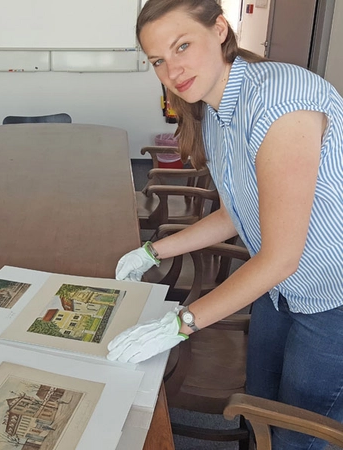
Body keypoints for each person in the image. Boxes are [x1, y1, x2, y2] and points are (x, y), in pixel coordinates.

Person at [106, 1, 343, 449]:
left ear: (219, 30)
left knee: (301, 433)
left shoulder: (279, 100)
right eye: (158, 60)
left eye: (182, 46)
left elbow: (281, 255)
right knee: (261, 410)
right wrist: (154, 251)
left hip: (334, 298)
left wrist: (179, 324)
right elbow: (242, 210)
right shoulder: (214, 110)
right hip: (281, 289)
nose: (172, 70)